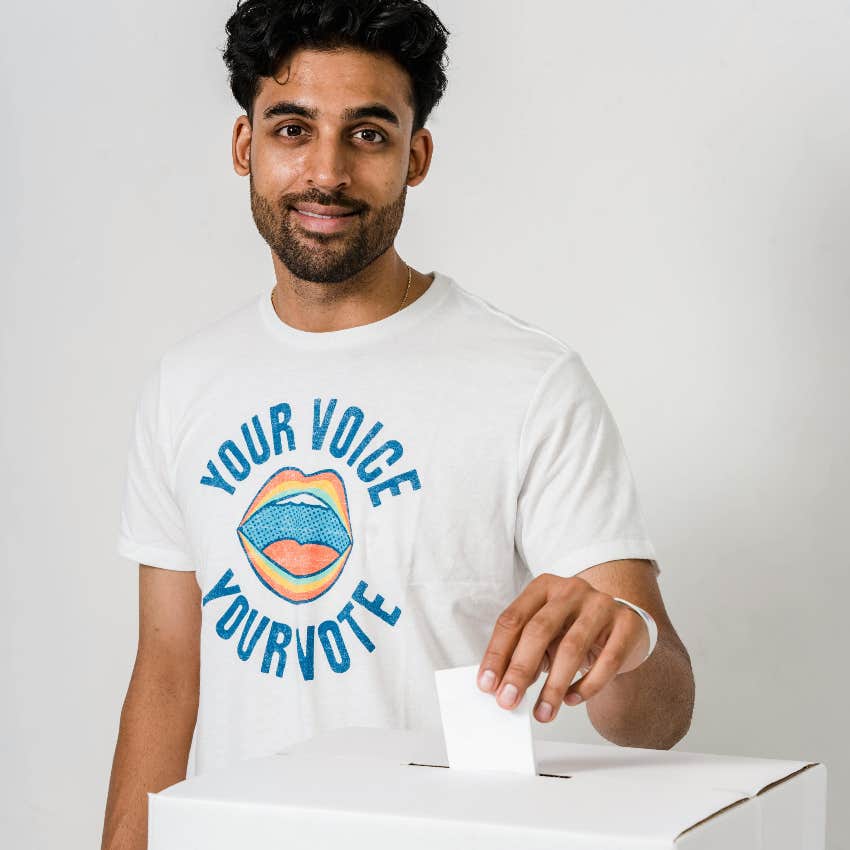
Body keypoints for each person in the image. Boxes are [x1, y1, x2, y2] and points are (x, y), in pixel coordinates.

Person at [101, 1, 694, 847]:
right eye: (293, 128)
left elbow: (658, 716)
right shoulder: (183, 385)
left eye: (369, 134)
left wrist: (624, 639)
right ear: (247, 147)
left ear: (416, 156)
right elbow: (166, 670)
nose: (327, 172)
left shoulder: (530, 383)